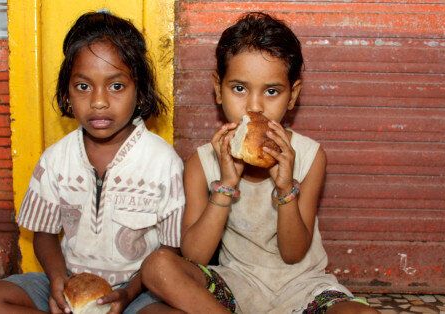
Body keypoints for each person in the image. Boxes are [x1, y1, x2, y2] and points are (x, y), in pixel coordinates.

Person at [140, 12, 379, 314]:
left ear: (293, 96)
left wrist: (285, 188)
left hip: (302, 285)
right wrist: (226, 186)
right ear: (218, 88)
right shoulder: (203, 163)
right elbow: (195, 255)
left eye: (271, 91)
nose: (254, 106)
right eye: (239, 88)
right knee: (156, 270)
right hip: (237, 285)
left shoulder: (308, 157)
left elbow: (293, 254)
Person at [0, 11, 184, 314]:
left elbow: (170, 248)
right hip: (70, 283)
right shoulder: (55, 159)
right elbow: (44, 233)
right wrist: (57, 280)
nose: (98, 101)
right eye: (83, 86)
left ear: (140, 89)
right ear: (67, 94)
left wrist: (129, 294)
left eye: (116, 86)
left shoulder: (162, 162)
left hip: (136, 291)